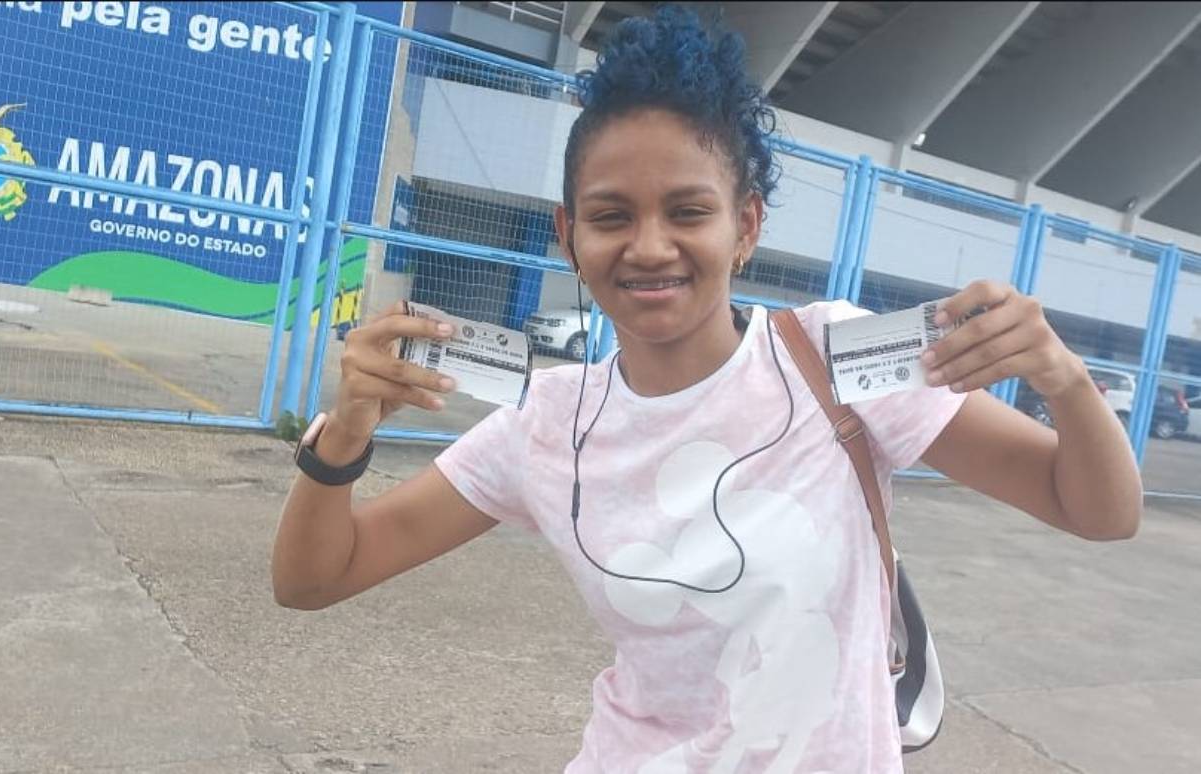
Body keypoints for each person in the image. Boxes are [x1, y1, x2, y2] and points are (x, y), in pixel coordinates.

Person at [272, 6, 1142, 772]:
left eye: (688, 211)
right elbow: (313, 581)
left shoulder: (836, 356)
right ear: (569, 236)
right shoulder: (547, 421)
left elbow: (1097, 511)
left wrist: (1062, 380)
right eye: (611, 216)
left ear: (746, 227)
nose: (649, 247)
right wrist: (342, 438)